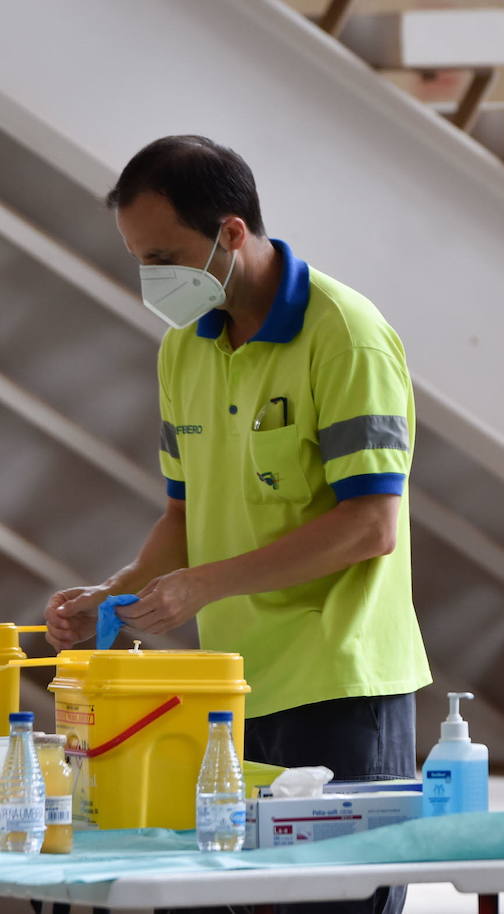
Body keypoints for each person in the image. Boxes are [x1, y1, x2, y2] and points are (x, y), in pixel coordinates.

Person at [43, 136, 430, 914]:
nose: (152, 279)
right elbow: (187, 517)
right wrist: (116, 595)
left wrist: (201, 587)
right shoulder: (184, 350)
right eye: (139, 259)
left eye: (164, 255)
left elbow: (370, 526)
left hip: (340, 690)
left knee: (331, 905)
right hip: (230, 693)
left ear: (231, 232)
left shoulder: (345, 337)